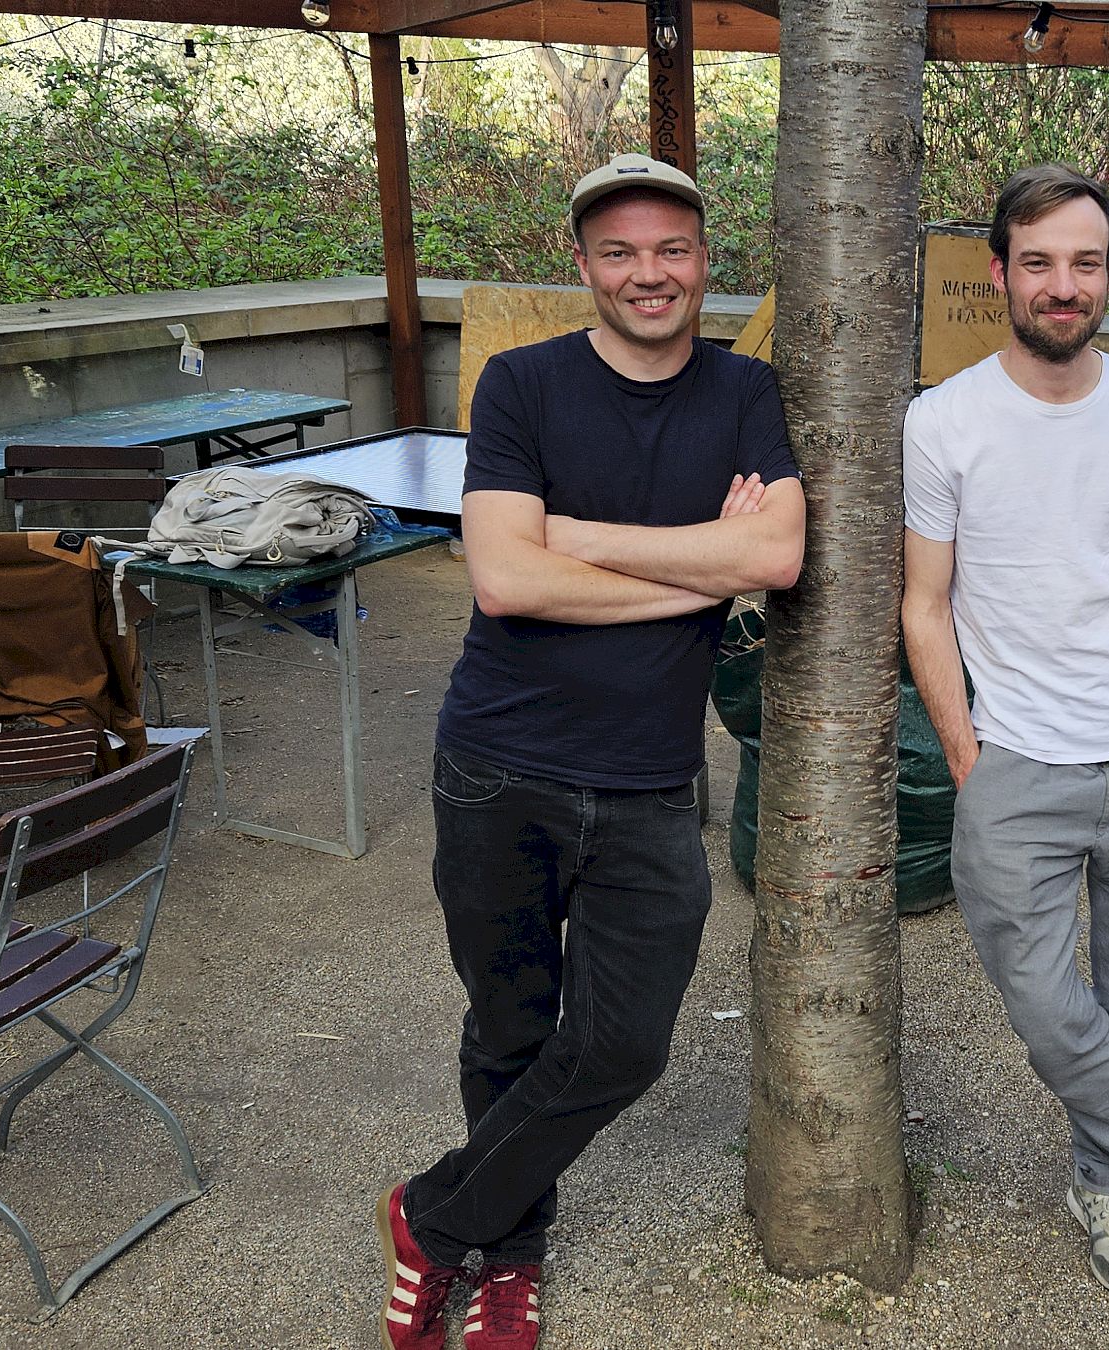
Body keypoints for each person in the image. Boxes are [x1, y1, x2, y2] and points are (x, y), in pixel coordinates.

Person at [380, 153, 804, 1350]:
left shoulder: (744, 392)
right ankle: (502, 1255)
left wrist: (579, 542)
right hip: (497, 764)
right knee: (507, 1025)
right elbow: (508, 578)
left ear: (704, 260)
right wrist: (690, 572)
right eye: (619, 251)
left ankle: (432, 1216)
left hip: (649, 780)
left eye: (671, 248)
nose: (648, 273)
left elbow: (773, 562)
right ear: (583, 265)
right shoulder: (520, 384)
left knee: (622, 1042)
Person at [900, 163, 1109, 1294]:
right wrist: (965, 755)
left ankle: (1104, 1175)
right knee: (1044, 1002)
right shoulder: (942, 423)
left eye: (1083, 263)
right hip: (1020, 766)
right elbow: (923, 604)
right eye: (1037, 262)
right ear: (999, 274)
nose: (1061, 285)